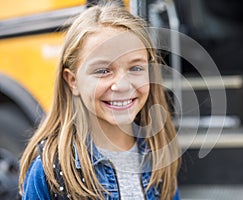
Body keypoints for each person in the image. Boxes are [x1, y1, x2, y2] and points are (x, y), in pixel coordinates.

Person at [18, 1, 181, 200]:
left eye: (135, 68)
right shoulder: (50, 170)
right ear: (73, 81)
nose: (122, 85)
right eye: (103, 71)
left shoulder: (158, 153)